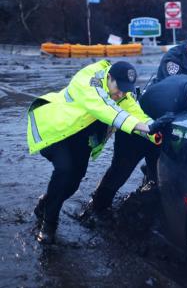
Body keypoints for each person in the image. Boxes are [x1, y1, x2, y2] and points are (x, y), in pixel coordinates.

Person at [26, 59, 162, 244]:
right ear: (109, 77)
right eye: (119, 87)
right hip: (57, 132)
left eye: (125, 89)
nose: (121, 93)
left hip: (81, 138)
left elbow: (136, 114)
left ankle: (45, 204)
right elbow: (107, 110)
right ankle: (49, 225)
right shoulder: (88, 80)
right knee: (64, 170)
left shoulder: (122, 94)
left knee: (74, 182)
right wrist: (143, 127)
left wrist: (154, 130)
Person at [84, 76, 187, 219]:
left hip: (157, 128)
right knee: (119, 173)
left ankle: (148, 195)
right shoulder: (165, 105)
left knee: (157, 174)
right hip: (134, 135)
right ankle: (97, 209)